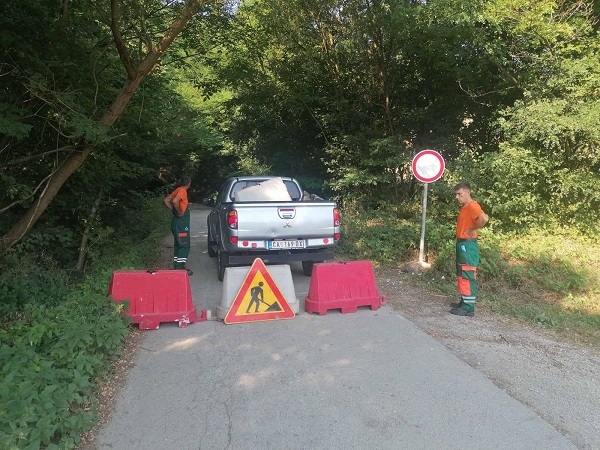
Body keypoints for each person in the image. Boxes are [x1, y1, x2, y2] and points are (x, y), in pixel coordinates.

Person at [451, 182, 488, 317]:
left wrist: (473, 229)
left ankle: (468, 307)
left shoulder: (473, 206)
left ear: (467, 193)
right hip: (462, 244)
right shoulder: (465, 207)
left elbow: (484, 218)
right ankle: (464, 301)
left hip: (468, 245)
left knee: (467, 274)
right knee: (462, 274)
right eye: (456, 194)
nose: (457, 197)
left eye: (459, 194)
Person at [163, 177, 193, 275]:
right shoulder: (182, 191)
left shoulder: (177, 190)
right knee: (184, 245)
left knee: (178, 244)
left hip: (176, 222)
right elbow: (175, 201)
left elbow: (166, 200)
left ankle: (176, 266)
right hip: (181, 223)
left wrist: (173, 210)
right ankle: (180, 268)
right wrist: (179, 212)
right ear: (189, 184)